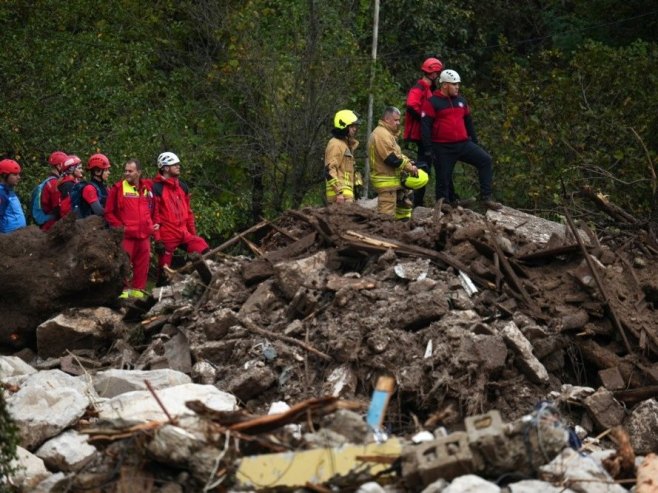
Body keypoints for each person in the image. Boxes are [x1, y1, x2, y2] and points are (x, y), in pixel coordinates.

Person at [421, 69, 501, 210]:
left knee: (485, 160)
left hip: (463, 143)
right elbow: (426, 126)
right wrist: (428, 149)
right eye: (454, 84)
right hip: (442, 146)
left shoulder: (461, 101)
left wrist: (474, 142)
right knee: (443, 177)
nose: (457, 87)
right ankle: (444, 204)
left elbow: (468, 122)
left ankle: (486, 198)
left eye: (458, 84)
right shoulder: (432, 102)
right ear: (445, 85)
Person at [152, 151, 209, 284]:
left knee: (205, 251)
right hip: (167, 235)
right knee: (163, 274)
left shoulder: (183, 187)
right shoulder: (156, 188)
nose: (178, 166)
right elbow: (154, 216)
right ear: (165, 168)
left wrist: (193, 234)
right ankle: (156, 300)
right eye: (175, 164)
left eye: (178, 164)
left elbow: (189, 213)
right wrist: (158, 239)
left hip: (184, 233)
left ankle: (205, 284)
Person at [105, 159, 157, 299]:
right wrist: (121, 228)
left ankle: (137, 298)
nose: (126, 173)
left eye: (130, 171)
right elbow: (109, 213)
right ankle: (122, 298)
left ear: (139, 172)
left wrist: (151, 226)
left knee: (142, 269)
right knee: (124, 268)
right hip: (126, 237)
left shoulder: (147, 189)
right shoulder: (118, 188)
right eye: (126, 170)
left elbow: (153, 210)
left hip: (144, 236)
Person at [368, 106, 428, 220]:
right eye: (395, 120)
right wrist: (409, 167)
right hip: (386, 183)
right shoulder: (381, 135)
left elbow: (397, 154)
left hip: (393, 181)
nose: (398, 123)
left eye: (399, 120)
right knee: (386, 218)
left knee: (403, 211)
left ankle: (401, 230)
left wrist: (409, 162)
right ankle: (384, 236)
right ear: (387, 119)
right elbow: (391, 159)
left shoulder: (387, 134)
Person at [404, 57, 443, 207]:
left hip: (425, 134)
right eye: (437, 73)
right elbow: (411, 106)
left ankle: (420, 201)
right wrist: (426, 119)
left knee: (427, 166)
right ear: (433, 74)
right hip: (421, 135)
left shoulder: (428, 90)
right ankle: (417, 202)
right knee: (424, 167)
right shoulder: (419, 88)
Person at [325, 109, 360, 204]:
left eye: (355, 126)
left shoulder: (345, 145)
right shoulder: (335, 144)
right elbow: (329, 169)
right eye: (352, 126)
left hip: (345, 194)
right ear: (343, 126)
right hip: (340, 196)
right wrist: (339, 193)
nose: (355, 129)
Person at [38, 151, 68, 230]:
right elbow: (58, 207)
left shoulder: (49, 181)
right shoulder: (54, 183)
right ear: (59, 166)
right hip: (51, 224)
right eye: (65, 166)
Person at [78, 153, 112, 218]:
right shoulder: (89, 188)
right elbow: (99, 211)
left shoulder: (105, 187)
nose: (109, 172)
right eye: (106, 170)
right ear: (97, 172)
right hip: (90, 226)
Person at [0, 159, 27, 234]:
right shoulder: (1, 193)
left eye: (18, 174)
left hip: (17, 237)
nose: (19, 177)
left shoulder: (9, 191)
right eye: (15, 174)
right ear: (5, 175)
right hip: (8, 239)